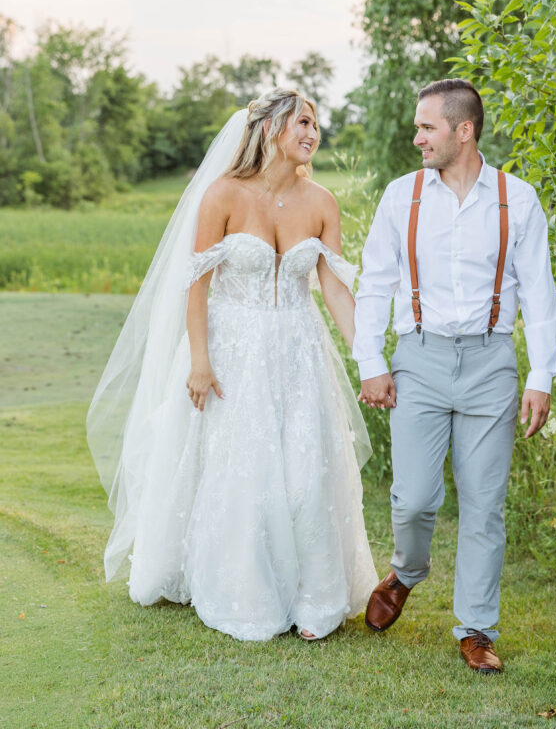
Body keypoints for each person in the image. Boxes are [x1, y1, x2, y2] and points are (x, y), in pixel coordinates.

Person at [88, 88, 376, 642]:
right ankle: (246, 589)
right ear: (270, 129)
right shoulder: (222, 195)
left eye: (316, 124)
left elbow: (336, 291)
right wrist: (199, 359)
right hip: (231, 347)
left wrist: (370, 362)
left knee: (304, 467)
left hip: (298, 349)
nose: (312, 134)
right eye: (303, 122)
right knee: (242, 468)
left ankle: (312, 598)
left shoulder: (322, 202)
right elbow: (195, 286)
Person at [353, 78, 556, 673]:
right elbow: (374, 285)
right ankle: (408, 571)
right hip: (418, 356)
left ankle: (476, 629)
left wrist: (540, 375)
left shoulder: (517, 200)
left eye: (426, 127)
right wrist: (372, 364)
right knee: (415, 498)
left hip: (492, 362)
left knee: (484, 504)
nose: (416, 137)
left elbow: (541, 296)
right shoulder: (402, 197)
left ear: (463, 131)